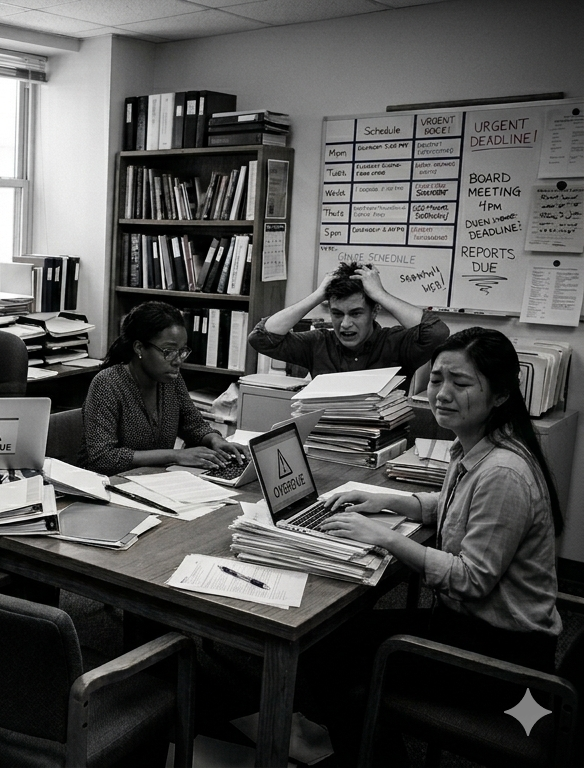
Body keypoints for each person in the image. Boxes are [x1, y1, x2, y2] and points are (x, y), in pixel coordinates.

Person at [307, 327, 563, 763]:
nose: (441, 393)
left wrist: (384, 537)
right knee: (335, 643)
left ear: (500, 394)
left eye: (460, 383)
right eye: (437, 378)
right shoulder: (480, 447)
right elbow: (453, 505)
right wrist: (385, 500)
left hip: (501, 658)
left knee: (332, 668)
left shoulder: (503, 471)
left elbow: (470, 579)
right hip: (472, 630)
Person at [78, 301, 245, 475]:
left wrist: (215, 440)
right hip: (106, 486)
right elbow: (102, 458)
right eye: (168, 351)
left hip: (152, 481)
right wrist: (176, 455)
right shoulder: (107, 384)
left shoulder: (171, 380)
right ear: (139, 348)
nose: (177, 360)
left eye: (182, 351)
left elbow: (193, 424)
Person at [248, 262, 449, 380]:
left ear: (375, 311)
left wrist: (380, 294)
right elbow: (261, 338)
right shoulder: (318, 343)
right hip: (327, 441)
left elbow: (437, 333)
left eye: (355, 313)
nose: (344, 324)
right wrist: (319, 295)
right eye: (337, 314)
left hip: (382, 445)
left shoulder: (395, 343)